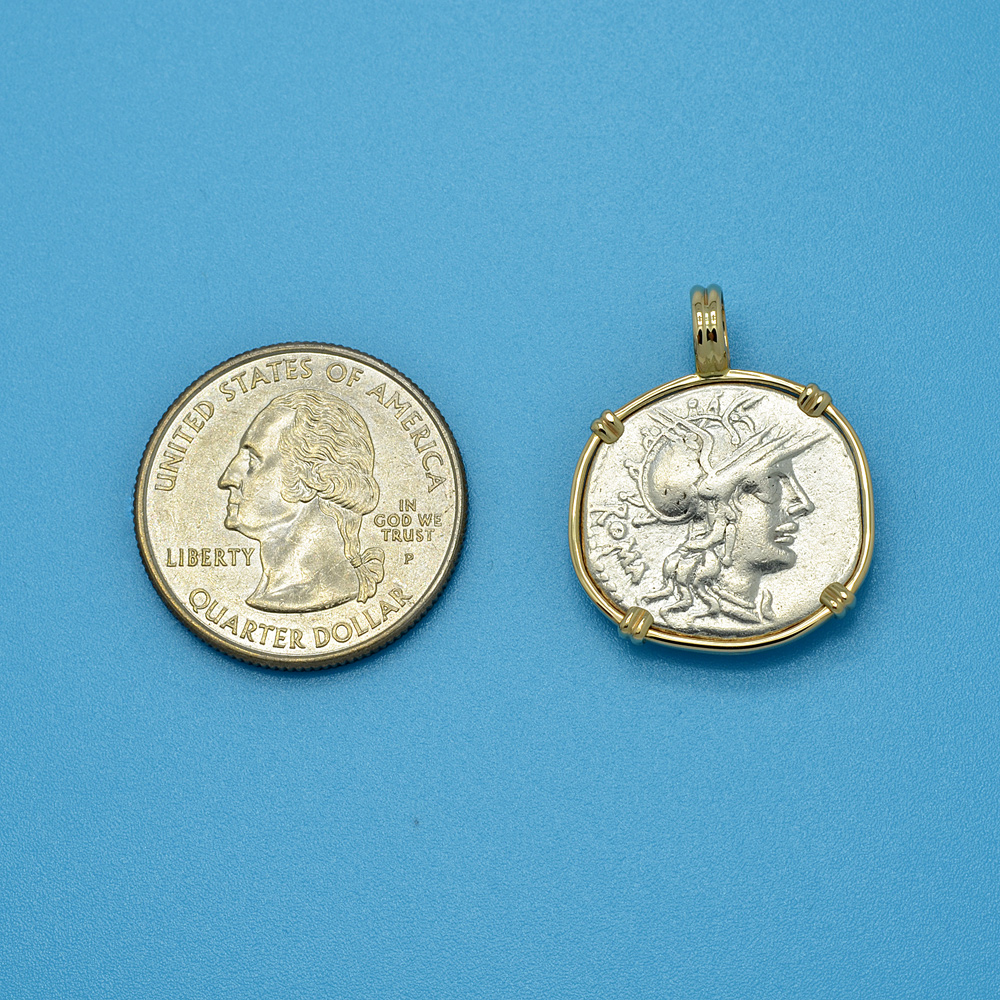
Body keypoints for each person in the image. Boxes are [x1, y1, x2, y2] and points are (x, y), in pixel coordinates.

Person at [634, 394, 823, 626]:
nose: (803, 503)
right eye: (772, 485)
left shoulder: (760, 610)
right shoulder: (689, 621)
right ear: (716, 512)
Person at [218, 389, 384, 613]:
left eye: (252, 461)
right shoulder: (272, 593)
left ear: (311, 477)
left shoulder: (325, 591)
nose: (227, 479)